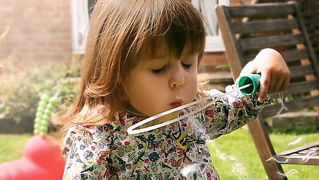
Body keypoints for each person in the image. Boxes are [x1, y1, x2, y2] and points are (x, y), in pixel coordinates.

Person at [59, 0, 290, 179]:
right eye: (159, 69)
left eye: (188, 64)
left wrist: (268, 58)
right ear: (116, 74)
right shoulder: (97, 139)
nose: (179, 79)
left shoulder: (193, 112)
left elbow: (241, 102)